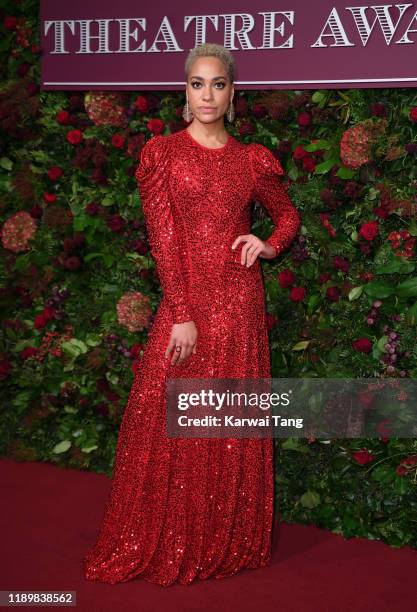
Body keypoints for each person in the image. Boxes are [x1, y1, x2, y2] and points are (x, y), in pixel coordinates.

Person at [83, 42, 300, 587]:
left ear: (233, 93)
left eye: (219, 84)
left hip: (240, 301)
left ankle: (222, 535)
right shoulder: (162, 154)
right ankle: (166, 531)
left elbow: (288, 214)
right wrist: (181, 312)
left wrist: (268, 245)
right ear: (186, 90)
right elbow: (164, 239)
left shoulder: (252, 159)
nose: (208, 94)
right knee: (162, 417)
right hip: (188, 303)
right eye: (198, 83)